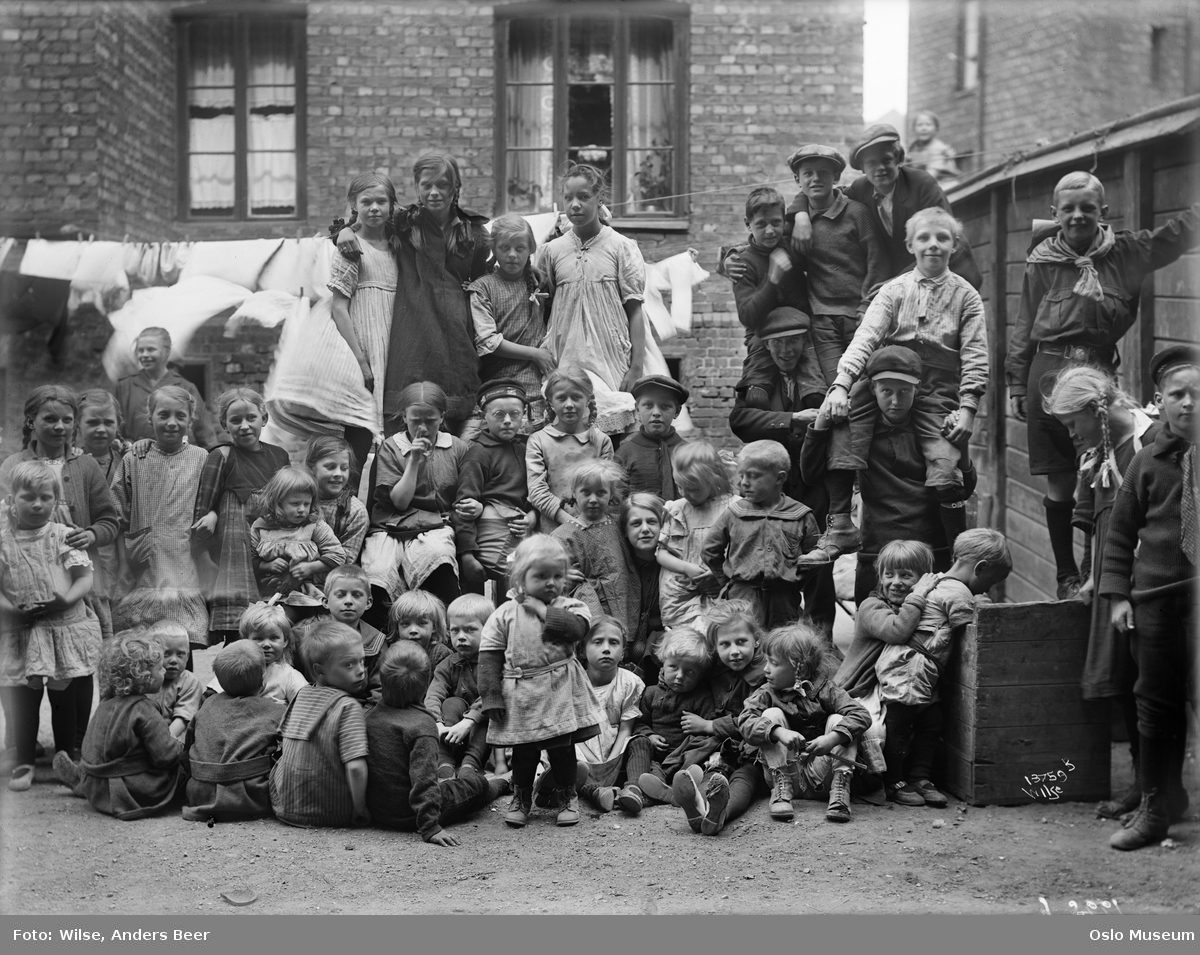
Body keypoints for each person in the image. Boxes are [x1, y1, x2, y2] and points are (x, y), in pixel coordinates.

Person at [1005, 172, 1199, 598]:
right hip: (1048, 371)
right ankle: (1066, 578)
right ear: (1055, 213)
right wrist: (1017, 382)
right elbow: (1024, 322)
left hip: (1096, 375)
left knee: (1102, 474)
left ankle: (1096, 572)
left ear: (1103, 212)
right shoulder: (1041, 259)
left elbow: (1177, 235)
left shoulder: (1127, 251)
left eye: (1087, 208)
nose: (1078, 216)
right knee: (1059, 480)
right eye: (1068, 209)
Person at [804, 207, 987, 566]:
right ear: (910, 245)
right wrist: (840, 386)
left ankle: (957, 552)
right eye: (924, 237)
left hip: (936, 386)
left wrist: (968, 408)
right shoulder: (893, 290)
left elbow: (975, 354)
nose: (933, 245)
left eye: (942, 238)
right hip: (891, 374)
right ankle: (840, 524)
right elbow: (865, 338)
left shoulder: (966, 296)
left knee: (945, 461)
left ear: (954, 245)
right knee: (843, 415)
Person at [1044, 365, 1160, 820]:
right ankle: (1145, 784)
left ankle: (1161, 788)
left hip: (1150, 582)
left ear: (1097, 410)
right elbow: (1103, 525)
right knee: (1127, 682)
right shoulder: (1100, 453)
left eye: (1073, 423)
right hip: (1116, 583)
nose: (1072, 433)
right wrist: (1096, 576)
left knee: (1154, 683)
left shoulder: (1151, 443)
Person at [1099, 346, 1200, 851]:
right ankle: (1157, 807)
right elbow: (1119, 536)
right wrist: (1119, 597)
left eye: (1197, 394)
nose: (1189, 403)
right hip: (1156, 601)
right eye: (1178, 394)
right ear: (1159, 402)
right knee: (1156, 704)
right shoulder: (1146, 462)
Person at [800, 345, 977, 602]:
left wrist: (961, 442)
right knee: (872, 619)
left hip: (930, 550)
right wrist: (822, 421)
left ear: (917, 389)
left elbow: (964, 489)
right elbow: (811, 475)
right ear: (873, 389)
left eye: (904, 391)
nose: (895, 401)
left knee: (932, 619)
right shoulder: (858, 430)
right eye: (887, 391)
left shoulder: (932, 427)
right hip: (877, 552)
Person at [336, 154, 492, 435]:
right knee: (408, 421)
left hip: (457, 336)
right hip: (414, 336)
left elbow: (487, 277)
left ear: (455, 187)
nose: (434, 192)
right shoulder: (404, 223)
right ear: (416, 187)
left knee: (456, 424)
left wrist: (528, 271)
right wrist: (345, 231)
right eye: (426, 185)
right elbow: (369, 222)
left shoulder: (474, 232)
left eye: (442, 185)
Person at [876, 528, 1012, 807]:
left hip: (918, 668)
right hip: (909, 668)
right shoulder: (958, 592)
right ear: (980, 568)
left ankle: (920, 776)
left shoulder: (939, 582)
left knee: (931, 721)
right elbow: (974, 628)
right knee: (899, 723)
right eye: (990, 581)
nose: (987, 589)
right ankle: (893, 781)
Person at [478, 534, 601, 828]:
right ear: (521, 577)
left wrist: (543, 611)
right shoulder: (504, 613)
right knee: (524, 750)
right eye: (541, 576)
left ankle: (567, 795)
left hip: (559, 689)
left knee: (561, 748)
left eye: (557, 576)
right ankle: (521, 797)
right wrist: (491, 696)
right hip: (521, 692)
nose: (550, 583)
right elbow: (489, 657)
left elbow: (577, 630)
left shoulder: (571, 606)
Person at [726, 307, 836, 633]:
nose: (786, 351)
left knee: (818, 564)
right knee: (771, 563)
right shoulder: (759, 381)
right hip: (772, 490)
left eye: (793, 342)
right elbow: (740, 421)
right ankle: (775, 636)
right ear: (767, 345)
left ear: (805, 342)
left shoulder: (819, 375)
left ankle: (821, 638)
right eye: (778, 343)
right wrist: (793, 419)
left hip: (813, 485)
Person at [0, 461, 103, 791]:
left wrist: (65, 600)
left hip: (62, 626)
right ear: (11, 500)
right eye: (28, 497)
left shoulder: (63, 535)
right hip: (22, 630)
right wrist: (11, 610)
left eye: (45, 497)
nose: (37, 504)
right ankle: (24, 760)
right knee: (24, 696)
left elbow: (84, 577)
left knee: (63, 694)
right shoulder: (4, 541)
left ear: (55, 500)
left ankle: (66, 758)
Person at [789, 122, 982, 289]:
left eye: (887, 160)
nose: (880, 168)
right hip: (907, 280)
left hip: (950, 271)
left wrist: (894, 282)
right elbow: (824, 192)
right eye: (871, 163)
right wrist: (800, 215)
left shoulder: (921, 183)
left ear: (899, 160)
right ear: (863, 169)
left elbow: (941, 236)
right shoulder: (861, 188)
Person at [0, 385, 119, 642]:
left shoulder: (86, 465)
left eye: (67, 420)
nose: (60, 427)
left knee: (83, 648)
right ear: (31, 421)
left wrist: (90, 535)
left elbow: (109, 521)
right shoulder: (13, 466)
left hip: (80, 582)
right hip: (30, 582)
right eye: (50, 419)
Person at [538, 164, 648, 433]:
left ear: (600, 198)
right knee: (567, 426)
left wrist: (636, 368)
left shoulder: (621, 247)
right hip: (565, 354)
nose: (574, 204)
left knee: (612, 428)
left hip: (609, 356)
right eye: (568, 198)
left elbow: (635, 310)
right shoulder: (552, 251)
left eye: (584, 196)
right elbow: (543, 309)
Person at [366, 640, 509, 844]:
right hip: (412, 814)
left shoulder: (370, 717)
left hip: (379, 812)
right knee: (475, 785)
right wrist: (430, 826)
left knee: (450, 783)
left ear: (381, 679)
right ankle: (504, 782)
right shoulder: (421, 726)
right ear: (426, 684)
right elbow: (423, 781)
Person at [835, 540, 939, 804]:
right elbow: (897, 631)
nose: (896, 582)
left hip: (894, 680)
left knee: (933, 715)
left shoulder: (920, 606)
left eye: (906, 575)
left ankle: (920, 776)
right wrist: (918, 595)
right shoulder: (871, 607)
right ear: (880, 577)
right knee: (888, 721)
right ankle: (893, 779)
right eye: (889, 574)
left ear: (923, 578)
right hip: (863, 687)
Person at [737, 622, 870, 824]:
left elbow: (861, 715)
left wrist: (832, 739)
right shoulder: (767, 692)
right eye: (766, 662)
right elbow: (745, 720)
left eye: (773, 663)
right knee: (771, 714)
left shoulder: (827, 690)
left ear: (799, 668)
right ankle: (781, 792)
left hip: (822, 776)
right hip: (786, 774)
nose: (766, 669)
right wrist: (778, 732)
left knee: (840, 721)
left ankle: (840, 791)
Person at [110, 385, 210, 647]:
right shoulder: (135, 458)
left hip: (183, 560)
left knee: (180, 642)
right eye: (163, 415)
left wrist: (212, 515)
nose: (172, 422)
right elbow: (117, 517)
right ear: (150, 418)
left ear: (191, 420)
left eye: (180, 416)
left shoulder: (201, 458)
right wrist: (123, 565)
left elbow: (215, 498)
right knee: (142, 642)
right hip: (144, 562)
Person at [783, 144, 888, 387]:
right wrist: (730, 256)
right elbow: (768, 242)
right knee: (837, 385)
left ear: (836, 177)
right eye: (808, 173)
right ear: (798, 180)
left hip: (860, 315)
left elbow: (878, 261)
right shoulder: (796, 221)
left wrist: (866, 305)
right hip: (823, 319)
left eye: (823, 172)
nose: (815, 178)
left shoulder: (857, 213)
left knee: (865, 384)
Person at [192, 387, 290, 645]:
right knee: (240, 634)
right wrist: (213, 514)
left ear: (264, 419)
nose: (244, 426)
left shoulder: (279, 456)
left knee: (271, 625)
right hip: (235, 556)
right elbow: (203, 506)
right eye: (235, 420)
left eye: (251, 418)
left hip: (270, 548)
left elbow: (289, 501)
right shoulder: (221, 456)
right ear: (225, 424)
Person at [359, 381, 468, 611]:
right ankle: (383, 630)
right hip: (390, 525)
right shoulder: (391, 446)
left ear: (442, 417)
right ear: (404, 417)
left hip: (435, 524)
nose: (423, 427)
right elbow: (400, 502)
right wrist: (414, 460)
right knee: (379, 569)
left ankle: (440, 625)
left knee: (437, 555)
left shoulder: (456, 447)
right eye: (415, 420)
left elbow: (467, 492)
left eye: (431, 420)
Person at [51, 630, 183, 819]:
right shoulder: (144, 709)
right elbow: (166, 756)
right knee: (183, 768)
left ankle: (83, 780)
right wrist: (179, 745)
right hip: (129, 790)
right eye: (160, 668)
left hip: (97, 782)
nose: (164, 671)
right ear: (144, 676)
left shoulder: (105, 704)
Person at [701, 439, 822, 630]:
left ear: (779, 478)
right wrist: (727, 582)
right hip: (743, 596)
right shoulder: (734, 513)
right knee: (745, 638)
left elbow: (816, 556)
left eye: (754, 476)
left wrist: (796, 580)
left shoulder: (800, 515)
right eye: (742, 475)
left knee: (780, 640)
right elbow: (709, 550)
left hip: (783, 599)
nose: (744, 482)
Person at [671, 600, 768, 836]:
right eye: (725, 644)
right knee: (714, 773)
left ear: (756, 640)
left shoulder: (765, 674)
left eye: (741, 642)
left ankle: (721, 813)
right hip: (722, 748)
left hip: (753, 748)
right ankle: (698, 809)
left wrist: (709, 725)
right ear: (715, 646)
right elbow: (685, 663)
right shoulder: (716, 668)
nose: (734, 651)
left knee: (746, 778)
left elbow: (754, 721)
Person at [327, 172, 400, 464]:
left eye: (381, 201)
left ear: (392, 204)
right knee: (359, 435)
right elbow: (339, 307)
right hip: (365, 344)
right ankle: (349, 491)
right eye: (366, 202)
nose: (374, 208)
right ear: (353, 205)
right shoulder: (351, 247)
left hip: (396, 343)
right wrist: (360, 359)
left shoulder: (399, 245)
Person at [270, 619, 371, 828]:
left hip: (285, 806)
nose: (361, 670)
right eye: (349, 664)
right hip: (328, 812)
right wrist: (360, 809)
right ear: (320, 671)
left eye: (362, 661)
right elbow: (355, 767)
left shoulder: (302, 694)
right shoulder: (348, 707)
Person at [724, 186, 813, 405]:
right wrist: (772, 280)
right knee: (757, 390)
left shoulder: (793, 245)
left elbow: (819, 192)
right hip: (763, 334)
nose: (770, 230)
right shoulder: (743, 263)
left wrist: (801, 216)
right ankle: (758, 391)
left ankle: (814, 397)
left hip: (801, 330)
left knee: (814, 380)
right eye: (761, 224)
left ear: (785, 221)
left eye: (776, 222)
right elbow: (748, 316)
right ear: (748, 224)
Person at [616, 626, 717, 815]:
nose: (680, 676)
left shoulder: (702, 697)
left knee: (707, 744)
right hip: (658, 756)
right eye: (674, 667)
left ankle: (682, 783)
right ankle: (662, 790)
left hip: (686, 754)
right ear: (663, 664)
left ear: (700, 674)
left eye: (689, 672)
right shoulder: (651, 693)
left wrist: (701, 724)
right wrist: (650, 736)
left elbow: (711, 726)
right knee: (642, 750)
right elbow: (640, 723)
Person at [182, 641, 284, 823]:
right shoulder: (276, 711)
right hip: (249, 797)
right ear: (263, 680)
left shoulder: (207, 705)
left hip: (200, 793)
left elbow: (188, 745)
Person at [469, 213, 553, 425]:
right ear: (493, 248)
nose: (512, 255)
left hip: (537, 390)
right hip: (498, 389)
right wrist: (535, 354)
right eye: (505, 248)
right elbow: (487, 340)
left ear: (531, 248)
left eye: (520, 248)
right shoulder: (483, 288)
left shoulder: (539, 284)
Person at [454, 378, 536, 594]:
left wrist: (532, 517)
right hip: (487, 545)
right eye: (499, 414)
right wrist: (467, 555)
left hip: (521, 537)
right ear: (484, 417)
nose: (507, 421)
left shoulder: (528, 448)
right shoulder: (478, 454)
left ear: (523, 414)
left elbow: (536, 492)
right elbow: (464, 507)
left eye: (514, 414)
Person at [525, 365, 615, 534]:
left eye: (576, 397)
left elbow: (607, 489)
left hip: (594, 531)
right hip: (552, 533)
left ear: (588, 399)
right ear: (550, 402)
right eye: (561, 398)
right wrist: (572, 523)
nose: (569, 404)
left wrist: (586, 526)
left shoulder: (601, 441)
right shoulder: (539, 440)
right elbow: (537, 491)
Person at [656, 440, 735, 630]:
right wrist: (687, 568)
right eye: (680, 486)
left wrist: (720, 571)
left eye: (694, 489)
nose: (685, 493)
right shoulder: (677, 509)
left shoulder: (733, 508)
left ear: (714, 479)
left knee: (720, 632)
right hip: (679, 595)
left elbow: (743, 553)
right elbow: (661, 553)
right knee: (685, 640)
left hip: (720, 591)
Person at [572, 616, 645, 813]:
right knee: (560, 749)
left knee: (641, 742)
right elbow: (571, 733)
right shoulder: (572, 684)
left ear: (622, 653)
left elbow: (625, 730)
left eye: (614, 642)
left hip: (615, 756)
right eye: (598, 642)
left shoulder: (630, 683)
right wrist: (591, 761)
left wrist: (610, 760)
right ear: (582, 650)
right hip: (581, 754)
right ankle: (595, 792)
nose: (606, 649)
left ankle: (633, 789)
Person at [249, 467, 346, 605]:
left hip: (303, 593)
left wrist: (310, 567)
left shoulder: (314, 525)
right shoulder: (261, 527)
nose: (302, 509)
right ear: (278, 502)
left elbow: (338, 555)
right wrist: (266, 565)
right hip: (266, 592)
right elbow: (248, 558)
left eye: (307, 504)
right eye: (295, 503)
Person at [113, 326, 219, 450]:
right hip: (136, 456)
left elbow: (206, 435)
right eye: (140, 350)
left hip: (178, 458)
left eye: (151, 349)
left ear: (167, 352)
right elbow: (116, 429)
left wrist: (214, 457)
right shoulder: (125, 386)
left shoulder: (186, 387)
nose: (144, 355)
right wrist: (126, 445)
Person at [424, 593, 493, 779]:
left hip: (484, 739)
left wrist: (468, 722)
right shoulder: (448, 664)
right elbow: (433, 694)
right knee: (451, 703)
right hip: (454, 735)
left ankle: (471, 764)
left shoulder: (495, 662)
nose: (461, 637)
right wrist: (437, 723)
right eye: (455, 631)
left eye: (470, 630)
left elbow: (492, 695)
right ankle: (445, 761)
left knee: (489, 713)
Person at [75, 389, 126, 633]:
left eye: (108, 422)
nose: (101, 429)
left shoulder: (124, 461)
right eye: (92, 422)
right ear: (78, 424)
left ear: (118, 424)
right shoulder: (72, 461)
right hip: (85, 547)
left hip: (118, 551)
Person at [205, 601, 306, 705]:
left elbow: (306, 703)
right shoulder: (235, 669)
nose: (266, 644)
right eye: (258, 638)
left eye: (274, 638)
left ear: (285, 641)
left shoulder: (288, 675)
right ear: (246, 640)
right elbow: (210, 697)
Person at [615, 375, 689, 499]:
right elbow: (616, 500)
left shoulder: (689, 453)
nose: (656, 413)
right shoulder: (625, 454)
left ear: (677, 411)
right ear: (637, 408)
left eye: (665, 406)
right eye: (648, 405)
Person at [323, 565, 384, 704]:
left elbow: (378, 691)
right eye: (340, 595)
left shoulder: (376, 640)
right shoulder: (306, 636)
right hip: (315, 706)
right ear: (326, 601)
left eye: (356, 595)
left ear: (368, 602)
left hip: (360, 709)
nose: (348, 601)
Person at [306, 435, 369, 568]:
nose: (338, 473)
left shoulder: (355, 511)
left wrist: (309, 568)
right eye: (330, 467)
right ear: (312, 468)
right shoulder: (300, 500)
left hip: (331, 575)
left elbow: (347, 559)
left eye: (344, 468)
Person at [147, 623, 202, 740]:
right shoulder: (144, 678)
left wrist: (164, 742)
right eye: (166, 654)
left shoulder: (190, 682)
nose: (173, 660)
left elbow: (182, 718)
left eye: (180, 654)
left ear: (187, 656)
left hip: (173, 741)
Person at [387, 590, 453, 672]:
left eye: (421, 623)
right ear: (397, 628)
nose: (413, 630)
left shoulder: (441, 654)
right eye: (406, 624)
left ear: (434, 626)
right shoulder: (394, 653)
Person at [906, 110, 959, 183]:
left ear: (936, 129)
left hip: (944, 183)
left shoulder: (939, 148)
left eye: (928, 124)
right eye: (920, 125)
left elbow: (931, 175)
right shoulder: (913, 147)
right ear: (914, 129)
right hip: (922, 183)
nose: (924, 128)